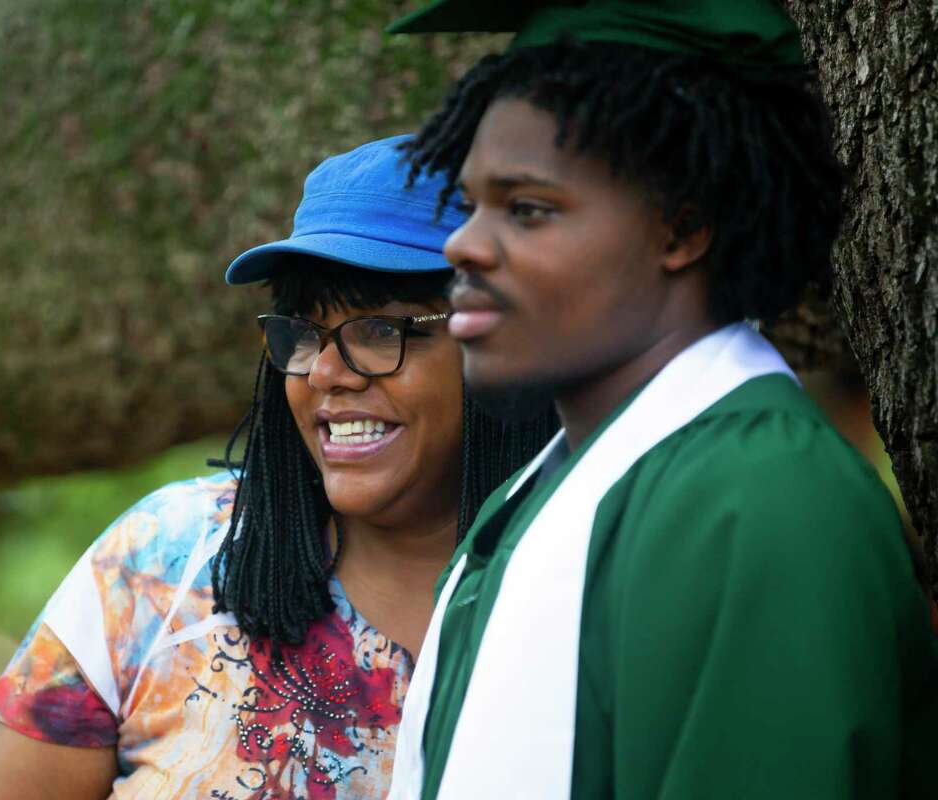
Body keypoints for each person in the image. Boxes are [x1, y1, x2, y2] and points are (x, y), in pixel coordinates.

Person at [380, 1, 938, 798]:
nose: (461, 244)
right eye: (470, 206)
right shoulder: (539, 494)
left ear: (681, 231)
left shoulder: (759, 501)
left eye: (528, 209)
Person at [0, 135, 557, 799]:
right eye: (304, 331)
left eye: (382, 330)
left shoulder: (581, 596)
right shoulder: (163, 562)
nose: (325, 372)